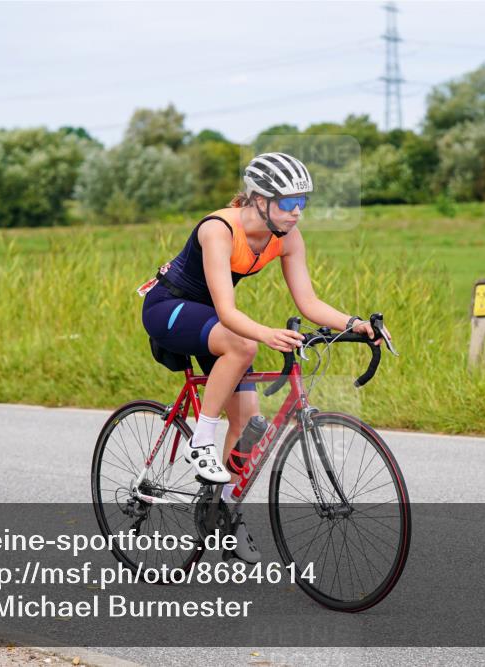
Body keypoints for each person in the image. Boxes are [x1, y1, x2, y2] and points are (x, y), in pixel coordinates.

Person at [138, 152, 384, 563]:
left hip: (211, 318)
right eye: (288, 202)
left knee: (251, 424)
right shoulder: (218, 229)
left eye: (302, 202)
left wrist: (354, 323)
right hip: (169, 307)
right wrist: (266, 334)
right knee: (244, 344)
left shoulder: (287, 237)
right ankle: (201, 441)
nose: (297, 211)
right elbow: (228, 312)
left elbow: (308, 302)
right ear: (259, 199)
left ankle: (220, 513)